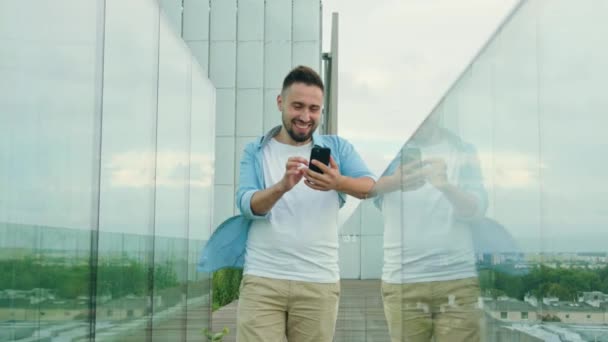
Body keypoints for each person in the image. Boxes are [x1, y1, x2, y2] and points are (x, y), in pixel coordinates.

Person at [235, 65, 375, 342]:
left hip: (318, 281)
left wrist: (338, 183)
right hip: (263, 279)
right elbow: (247, 204)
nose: (305, 116)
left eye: (314, 109)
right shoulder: (257, 150)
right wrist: (281, 187)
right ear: (280, 102)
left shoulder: (338, 148)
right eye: (297, 106)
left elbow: (371, 188)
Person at [371, 112, 488, 342]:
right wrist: (395, 182)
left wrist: (447, 187)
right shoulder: (385, 154)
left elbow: (476, 211)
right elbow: (362, 191)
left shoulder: (463, 150)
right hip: (403, 281)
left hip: (457, 279)